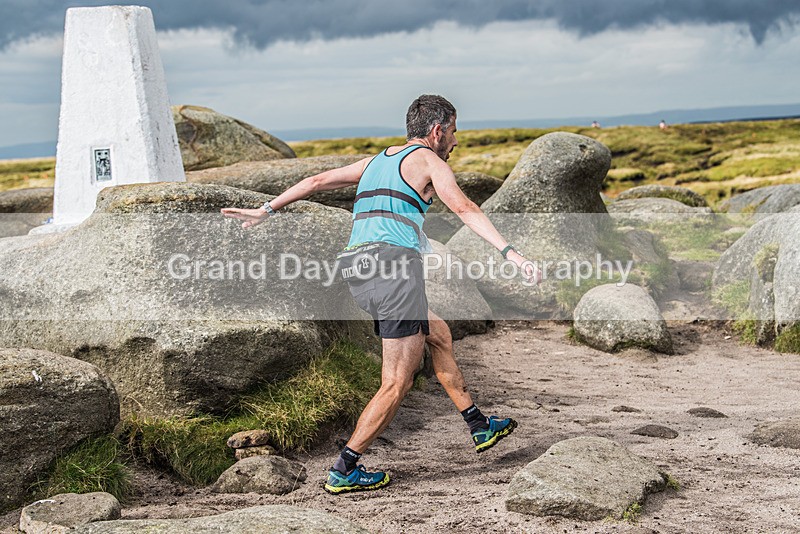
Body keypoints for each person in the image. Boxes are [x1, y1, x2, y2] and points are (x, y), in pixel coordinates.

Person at [221, 94, 538, 495]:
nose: (456, 142)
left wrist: (266, 209)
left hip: (359, 269)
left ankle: (478, 425)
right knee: (396, 382)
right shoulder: (430, 162)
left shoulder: (377, 160)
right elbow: (464, 207)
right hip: (393, 268)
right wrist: (510, 252)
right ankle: (344, 468)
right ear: (437, 130)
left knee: (437, 332)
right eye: (454, 132)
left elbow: (316, 181)